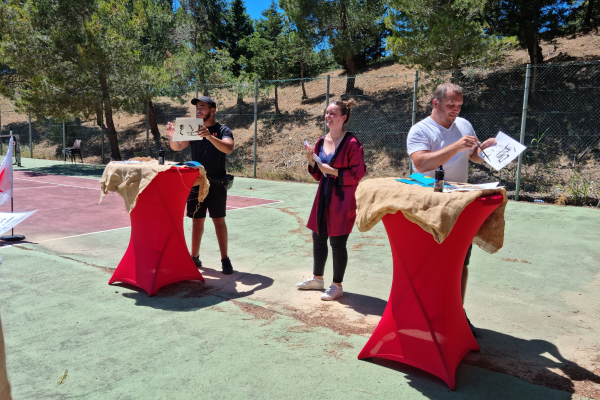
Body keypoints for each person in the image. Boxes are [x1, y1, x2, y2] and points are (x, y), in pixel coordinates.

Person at [406, 82, 496, 336]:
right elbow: (422, 164)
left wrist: (484, 149)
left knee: (461, 261)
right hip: (428, 205)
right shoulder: (420, 129)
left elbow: (474, 156)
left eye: (459, 105)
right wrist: (456, 146)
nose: (456, 110)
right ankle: (423, 314)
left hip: (459, 203)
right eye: (450, 105)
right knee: (427, 261)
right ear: (435, 104)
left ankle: (457, 312)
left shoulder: (464, 125)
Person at [296, 98, 366, 301]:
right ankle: (317, 279)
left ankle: (337, 285)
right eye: (327, 113)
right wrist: (311, 161)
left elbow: (357, 174)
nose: (328, 116)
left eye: (333, 113)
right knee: (318, 237)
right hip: (323, 195)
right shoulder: (320, 141)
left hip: (342, 198)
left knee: (337, 242)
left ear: (344, 117)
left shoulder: (352, 143)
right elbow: (318, 175)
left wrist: (334, 172)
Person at [166, 96, 235, 274]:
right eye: (197, 107)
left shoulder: (222, 129)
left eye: (202, 107)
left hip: (217, 182)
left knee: (219, 221)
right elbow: (177, 147)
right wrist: (172, 135)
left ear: (212, 110)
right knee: (197, 221)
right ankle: (194, 257)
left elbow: (228, 148)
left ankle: (224, 259)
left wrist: (210, 137)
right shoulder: (192, 127)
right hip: (196, 182)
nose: (198, 110)